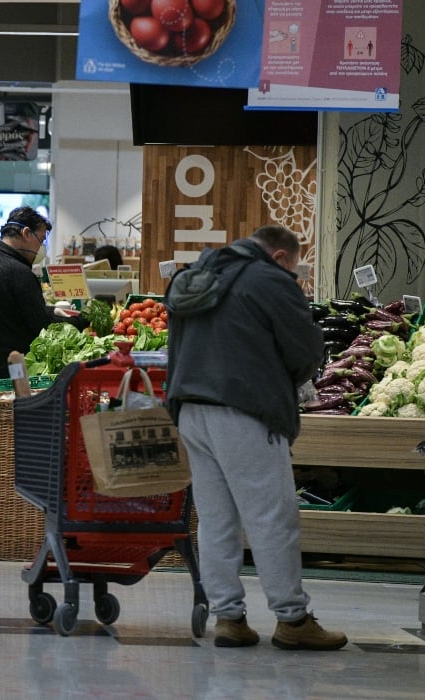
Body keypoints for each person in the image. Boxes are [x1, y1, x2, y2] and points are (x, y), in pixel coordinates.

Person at [164, 225, 347, 651]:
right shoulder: (269, 280)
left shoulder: (195, 274)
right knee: (272, 516)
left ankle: (228, 617)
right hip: (244, 408)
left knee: (215, 519)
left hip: (191, 408)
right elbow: (305, 348)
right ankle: (292, 619)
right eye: (296, 265)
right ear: (281, 257)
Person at [0, 206, 88, 538]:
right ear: (27, 233)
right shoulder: (18, 272)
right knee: (0, 446)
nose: (42, 245)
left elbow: (16, 308)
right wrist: (78, 322)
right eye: (42, 237)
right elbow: (38, 326)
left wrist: (51, 308)